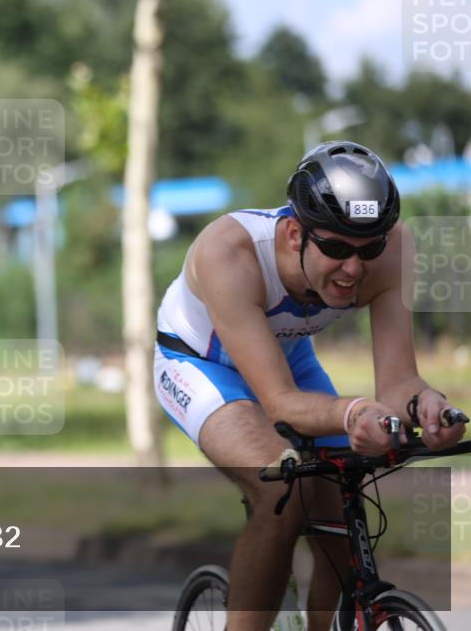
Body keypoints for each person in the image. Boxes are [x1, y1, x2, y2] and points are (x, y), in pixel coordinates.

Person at [154, 140, 466, 630]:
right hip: (201, 363)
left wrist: (427, 407)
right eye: (337, 248)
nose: (354, 269)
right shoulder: (230, 251)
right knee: (281, 494)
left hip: (288, 359)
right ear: (295, 233)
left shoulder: (395, 249)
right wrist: (352, 413)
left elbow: (398, 381)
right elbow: (279, 404)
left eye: (369, 249)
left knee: (344, 518)